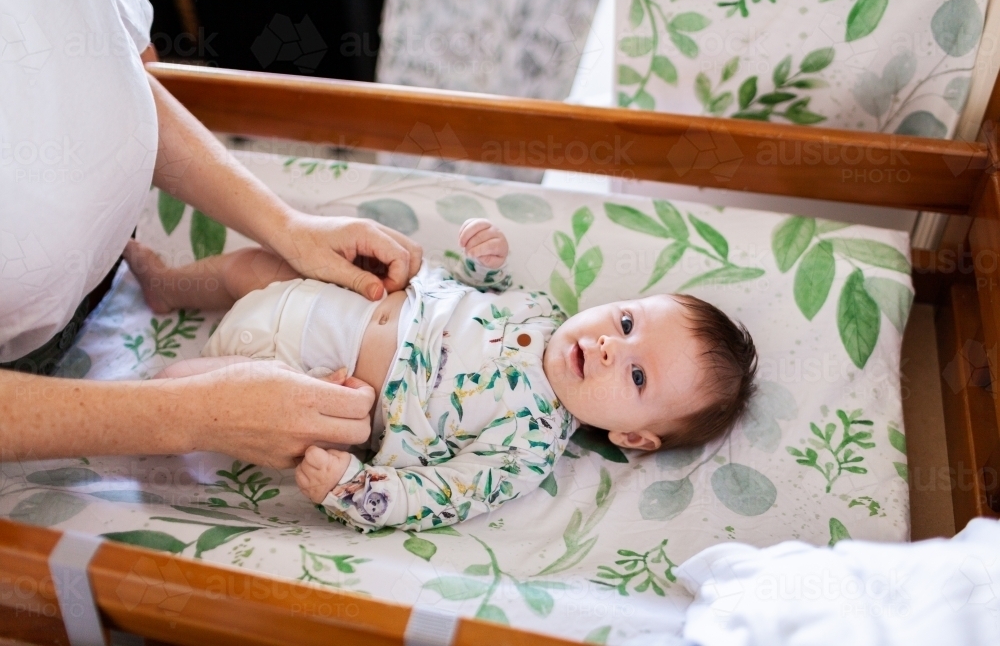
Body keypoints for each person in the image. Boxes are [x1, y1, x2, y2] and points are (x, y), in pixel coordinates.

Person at [0, 0, 421, 469]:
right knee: (248, 284)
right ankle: (168, 291)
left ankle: (171, 297)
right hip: (28, 379)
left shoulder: (522, 423)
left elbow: (117, 79)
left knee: (270, 270)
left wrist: (289, 226)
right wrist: (189, 414)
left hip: (105, 294)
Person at [123, 218, 759, 532]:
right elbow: (476, 291)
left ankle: (125, 409)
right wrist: (483, 261)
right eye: (624, 323)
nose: (609, 347)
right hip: (331, 297)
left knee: (195, 390)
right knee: (253, 267)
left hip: (306, 377)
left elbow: (438, 495)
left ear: (633, 438)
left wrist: (352, 486)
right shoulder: (541, 309)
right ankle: (168, 287)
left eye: (639, 378)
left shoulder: (526, 451)